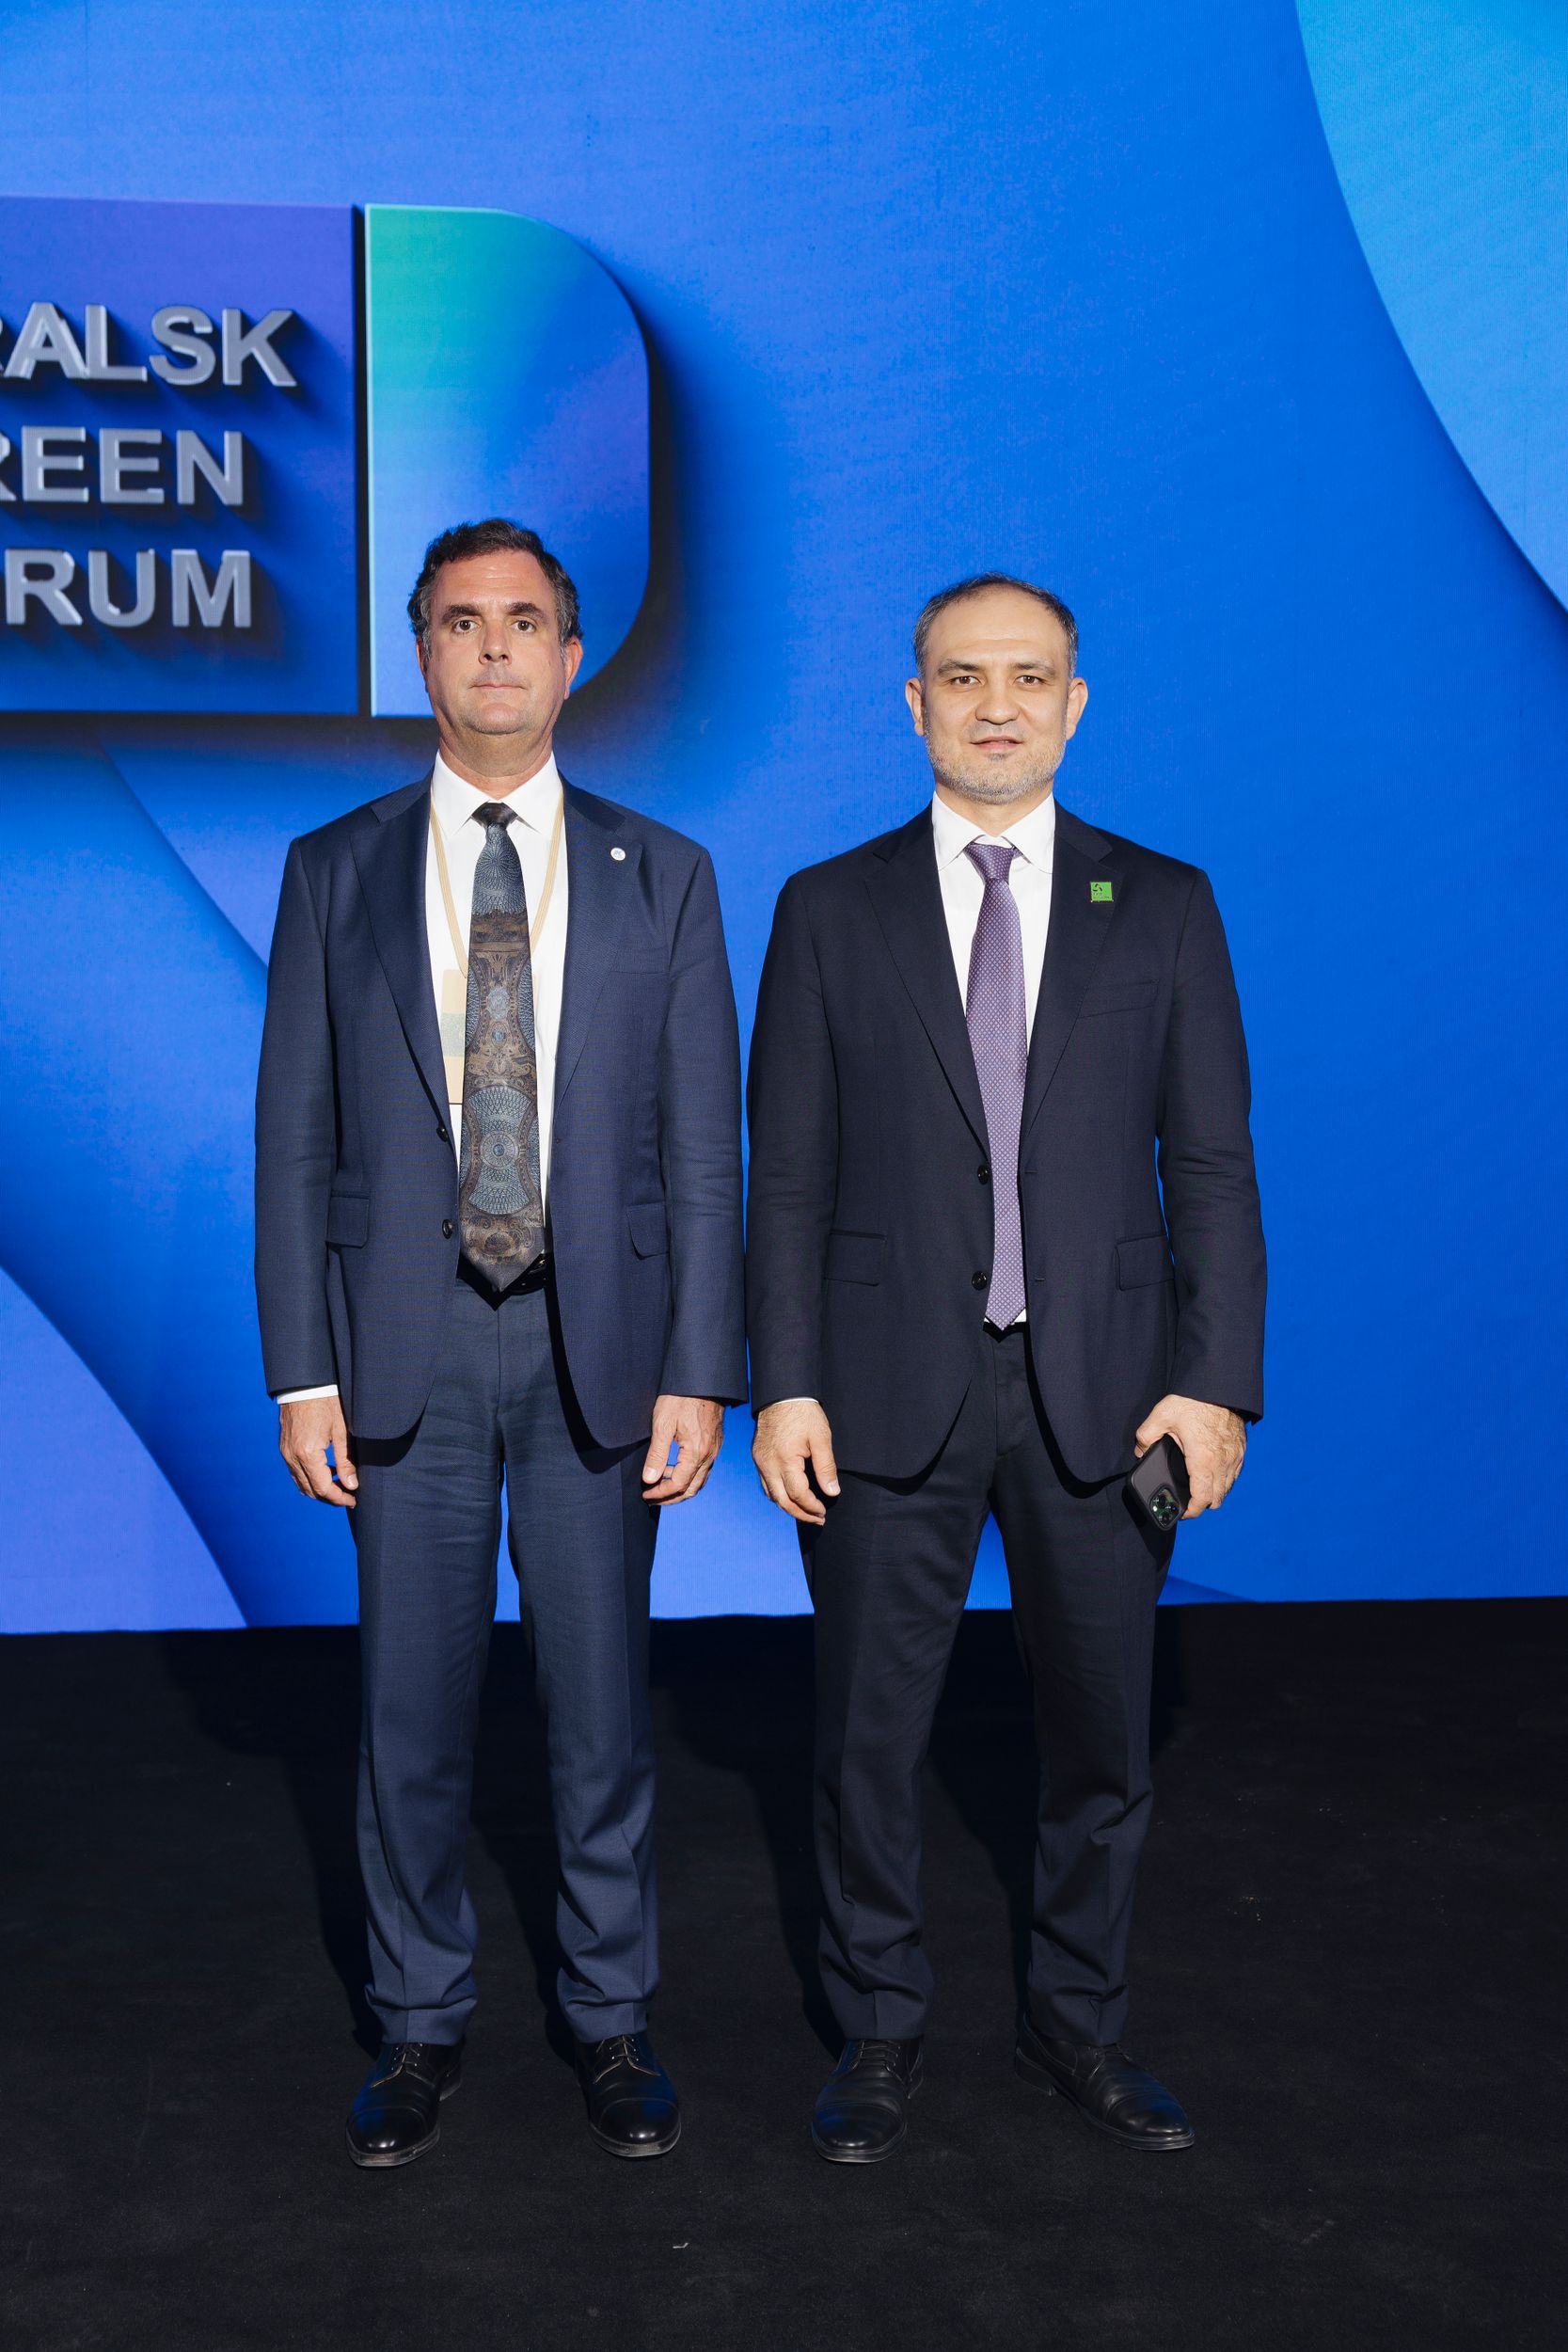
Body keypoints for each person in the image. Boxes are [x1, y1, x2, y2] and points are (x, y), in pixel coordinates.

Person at [746, 575, 1265, 2163]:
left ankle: (1079, 2023)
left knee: (1103, 1737)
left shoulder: (1162, 902)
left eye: (1028, 677)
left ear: (1075, 703)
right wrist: (784, 1381)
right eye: (962, 677)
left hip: (1110, 1396)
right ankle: (878, 2026)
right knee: (866, 1738)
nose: (996, 706)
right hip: (879, 1387)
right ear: (914, 703)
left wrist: (1216, 1383)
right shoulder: (827, 907)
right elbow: (789, 1176)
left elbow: (1214, 1168)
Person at [255, 518, 745, 2168]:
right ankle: (417, 2021)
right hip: (401, 1349)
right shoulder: (333, 869)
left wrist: (701, 1366)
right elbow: (294, 1139)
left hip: (598, 1346)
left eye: (524, 621)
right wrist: (301, 1368)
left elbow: (701, 1146)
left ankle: (611, 2018)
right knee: (411, 1714)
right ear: (420, 653)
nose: (493, 649)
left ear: (571, 654)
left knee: (601, 1711)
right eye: (461, 622)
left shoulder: (664, 871)